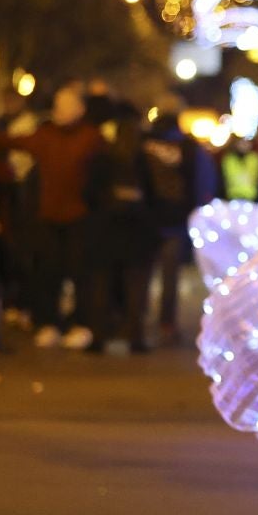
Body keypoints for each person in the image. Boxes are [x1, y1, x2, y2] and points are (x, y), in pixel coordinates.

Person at [0, 84, 101, 350]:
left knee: (79, 273)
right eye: (57, 105)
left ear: (79, 109)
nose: (58, 111)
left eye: (64, 105)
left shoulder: (90, 138)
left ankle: (81, 324)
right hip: (49, 215)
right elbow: (13, 141)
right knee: (47, 272)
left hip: (79, 216)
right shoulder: (47, 135)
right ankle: (48, 322)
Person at [84, 103, 161, 355]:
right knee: (135, 287)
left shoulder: (100, 159)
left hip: (105, 232)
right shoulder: (142, 161)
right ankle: (134, 336)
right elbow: (154, 197)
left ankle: (99, 336)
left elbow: (88, 193)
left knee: (101, 286)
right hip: (135, 234)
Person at [143, 111, 213, 345]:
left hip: (146, 219)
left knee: (141, 273)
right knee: (169, 276)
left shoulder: (144, 146)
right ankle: (166, 323)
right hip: (177, 221)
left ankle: (137, 320)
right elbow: (204, 182)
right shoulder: (189, 149)